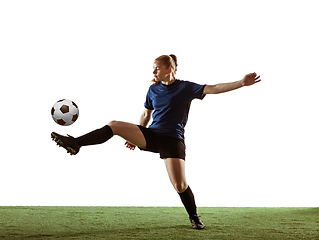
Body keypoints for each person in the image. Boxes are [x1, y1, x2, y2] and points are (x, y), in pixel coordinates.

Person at [51, 54, 261, 230]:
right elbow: (145, 114)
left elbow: (213, 88)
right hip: (151, 135)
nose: (153, 73)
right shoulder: (152, 90)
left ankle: (194, 217)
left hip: (172, 140)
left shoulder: (186, 87)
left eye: (157, 69)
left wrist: (241, 83)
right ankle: (76, 143)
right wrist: (133, 136)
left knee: (180, 185)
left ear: (169, 69)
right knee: (114, 124)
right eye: (153, 69)